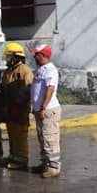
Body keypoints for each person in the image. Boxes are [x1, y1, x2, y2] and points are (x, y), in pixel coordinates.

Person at [30, 44, 61, 179]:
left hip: (48, 110)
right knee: (42, 137)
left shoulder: (50, 70)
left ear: (43, 55)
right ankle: (45, 163)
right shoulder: (41, 69)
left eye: (36, 54)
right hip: (40, 110)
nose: (34, 56)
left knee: (50, 138)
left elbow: (50, 89)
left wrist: (43, 107)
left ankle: (53, 167)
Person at [1, 42, 33, 171]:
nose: (7, 60)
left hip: (21, 109)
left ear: (15, 57)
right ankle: (13, 156)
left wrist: (18, 105)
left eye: (8, 57)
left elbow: (28, 89)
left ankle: (21, 160)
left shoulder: (24, 71)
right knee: (12, 132)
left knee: (20, 134)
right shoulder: (8, 71)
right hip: (10, 107)